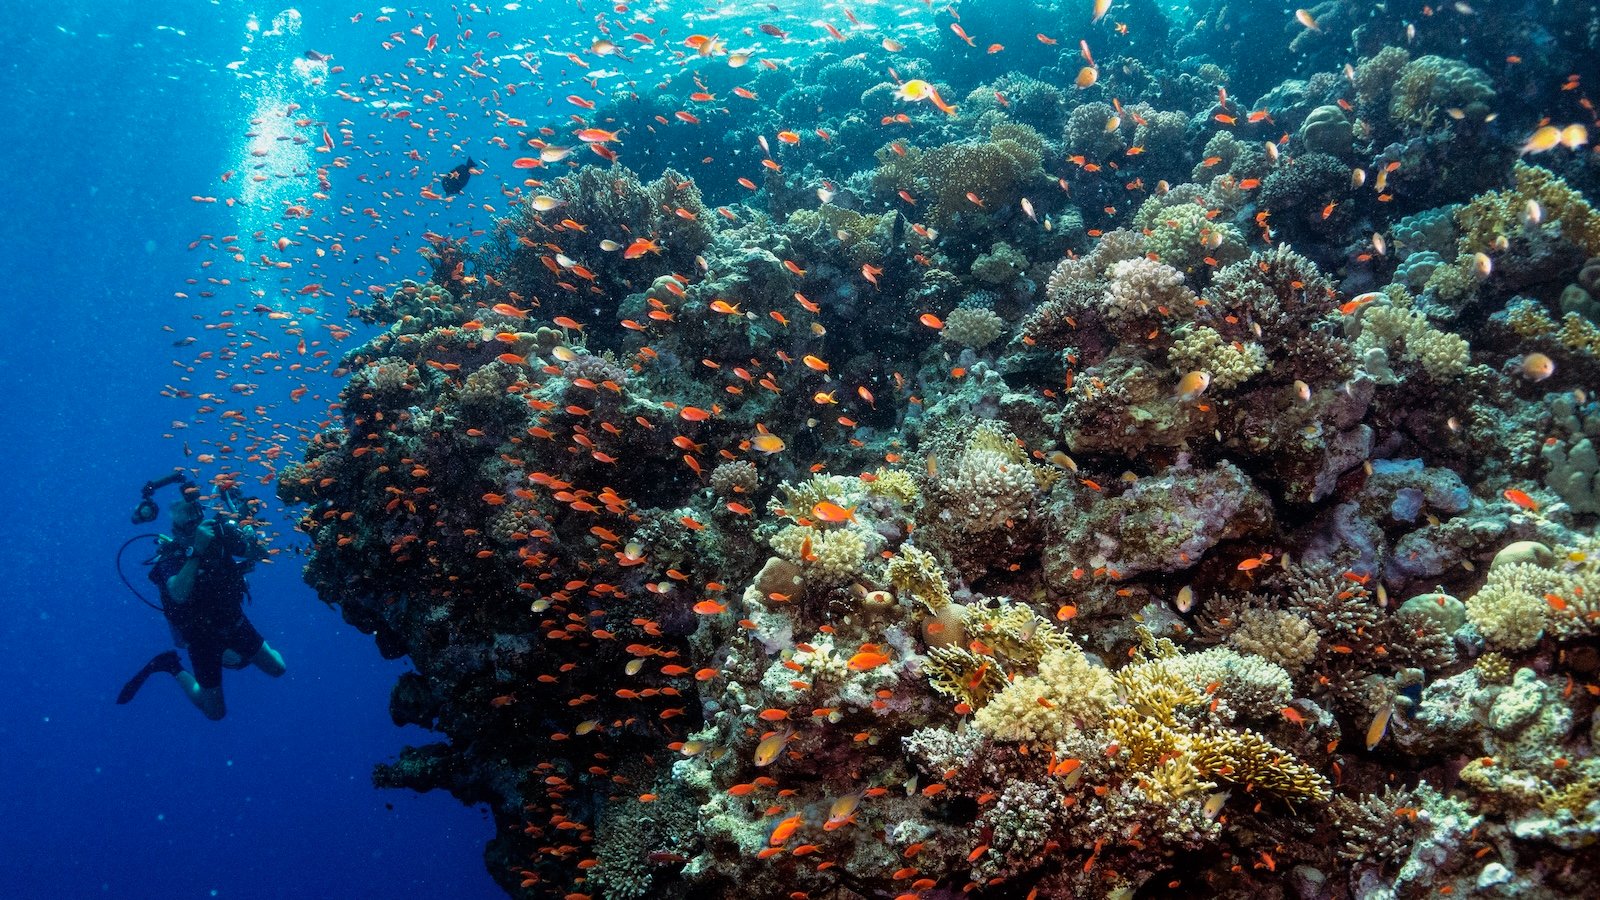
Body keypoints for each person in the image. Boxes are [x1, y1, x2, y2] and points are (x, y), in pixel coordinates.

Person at [116, 489, 285, 719]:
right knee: (215, 712)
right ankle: (171, 666)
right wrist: (197, 550)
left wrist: (250, 534)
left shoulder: (220, 536)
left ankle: (231, 654)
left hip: (233, 622)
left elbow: (259, 553)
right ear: (177, 530)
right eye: (189, 524)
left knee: (278, 668)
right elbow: (178, 593)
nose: (197, 527)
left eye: (198, 519)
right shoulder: (170, 557)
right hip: (200, 639)